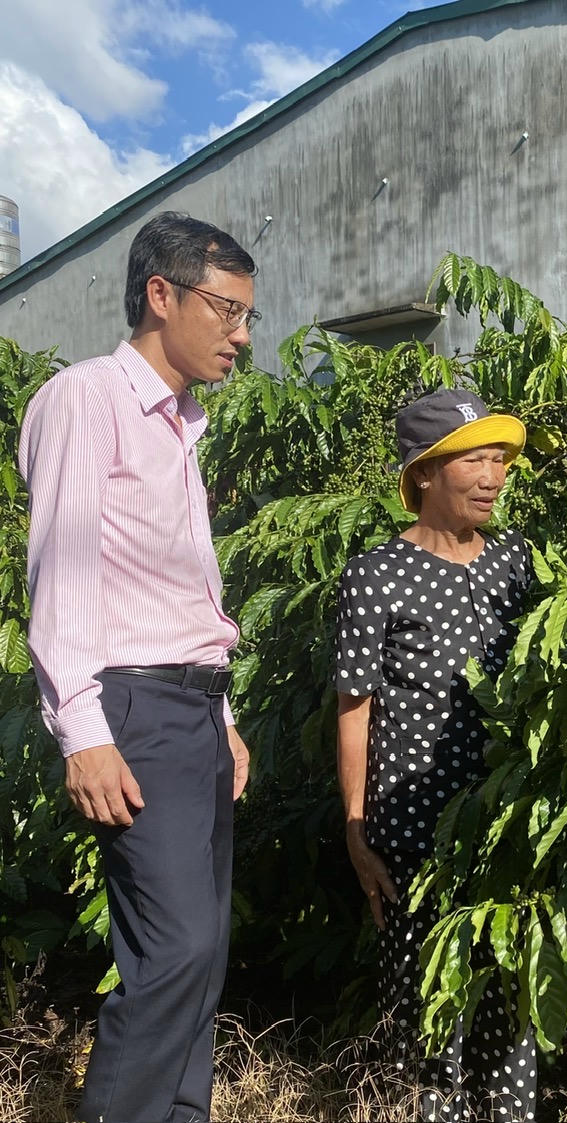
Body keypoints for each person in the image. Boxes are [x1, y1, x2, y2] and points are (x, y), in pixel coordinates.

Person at [18, 211, 256, 1123]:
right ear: (161, 294)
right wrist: (83, 731)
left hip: (191, 711)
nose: (239, 334)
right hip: (133, 711)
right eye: (224, 309)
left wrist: (221, 717)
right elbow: (64, 577)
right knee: (176, 951)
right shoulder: (90, 399)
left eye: (246, 315)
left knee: (202, 958)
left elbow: (168, 594)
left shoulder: (181, 426)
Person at [334, 388, 536, 1122]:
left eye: (499, 459)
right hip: (414, 834)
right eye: (472, 459)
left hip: (506, 827)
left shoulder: (517, 560)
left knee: (511, 1011)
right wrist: (357, 827)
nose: (492, 476)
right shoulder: (376, 575)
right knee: (430, 1025)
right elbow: (354, 708)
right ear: (423, 473)